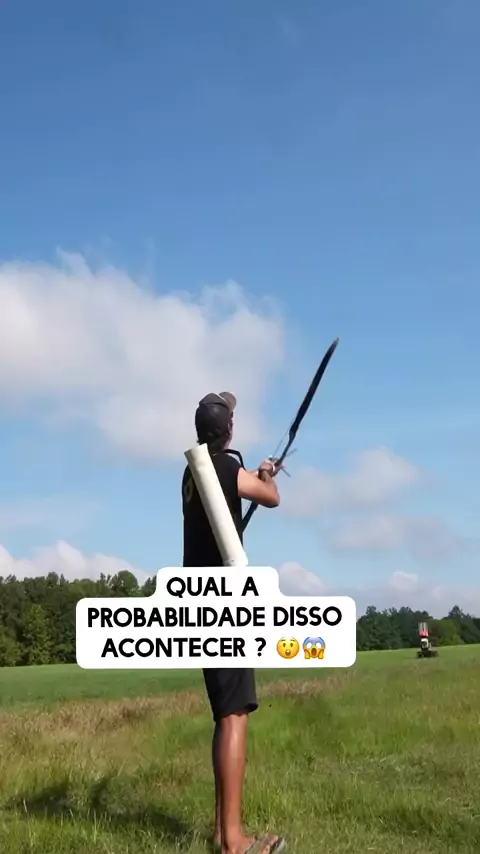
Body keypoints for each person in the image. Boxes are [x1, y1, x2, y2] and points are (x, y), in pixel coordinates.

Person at [182, 392, 286, 854]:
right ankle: (234, 842)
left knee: (224, 716)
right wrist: (266, 474)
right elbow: (271, 498)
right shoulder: (225, 467)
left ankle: (223, 831)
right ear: (229, 431)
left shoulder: (192, 474)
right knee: (234, 716)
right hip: (225, 605)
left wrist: (254, 473)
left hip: (201, 604)